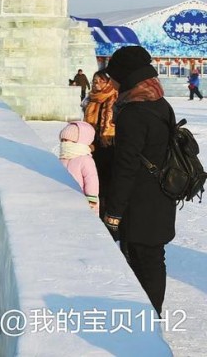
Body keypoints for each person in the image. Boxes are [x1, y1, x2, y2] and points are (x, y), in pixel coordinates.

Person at [102, 45, 176, 316]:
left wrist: (114, 213)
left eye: (114, 76)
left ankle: (147, 321)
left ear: (126, 75)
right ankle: (151, 318)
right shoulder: (158, 100)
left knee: (142, 260)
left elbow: (126, 166)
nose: (111, 81)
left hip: (141, 202)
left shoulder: (134, 112)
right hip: (162, 194)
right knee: (154, 259)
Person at [83, 70, 117, 218]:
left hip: (110, 144)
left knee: (107, 181)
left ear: (107, 82)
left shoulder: (115, 96)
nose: (96, 84)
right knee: (94, 179)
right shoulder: (91, 98)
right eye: (94, 81)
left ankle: (107, 212)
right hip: (93, 144)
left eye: (100, 81)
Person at [58, 121, 100, 213]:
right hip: (64, 201)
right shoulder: (62, 158)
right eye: (63, 140)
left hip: (84, 202)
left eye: (68, 141)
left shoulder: (85, 160)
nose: (64, 144)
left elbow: (91, 179)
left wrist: (91, 200)